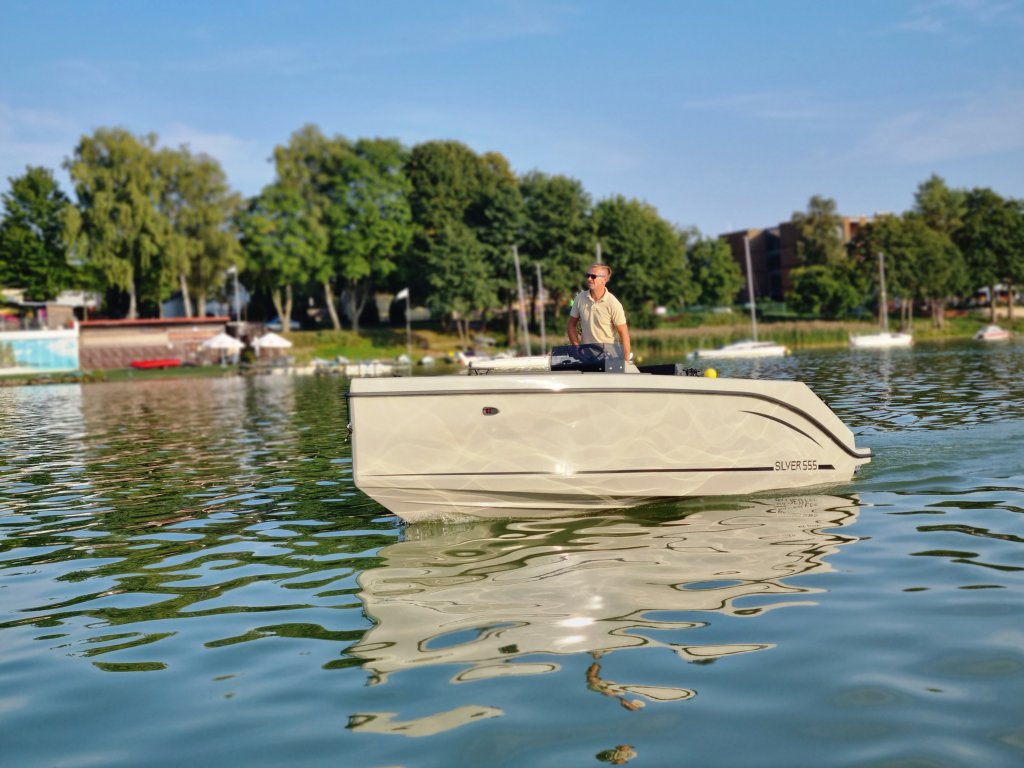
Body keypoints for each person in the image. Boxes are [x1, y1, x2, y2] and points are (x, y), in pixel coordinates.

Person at [566, 263, 631, 361]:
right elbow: (571, 324)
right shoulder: (580, 298)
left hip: (610, 357)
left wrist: (625, 363)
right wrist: (576, 347)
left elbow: (624, 334)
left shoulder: (613, 303)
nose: (589, 279)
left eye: (593, 276)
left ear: (604, 279)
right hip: (587, 358)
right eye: (588, 275)